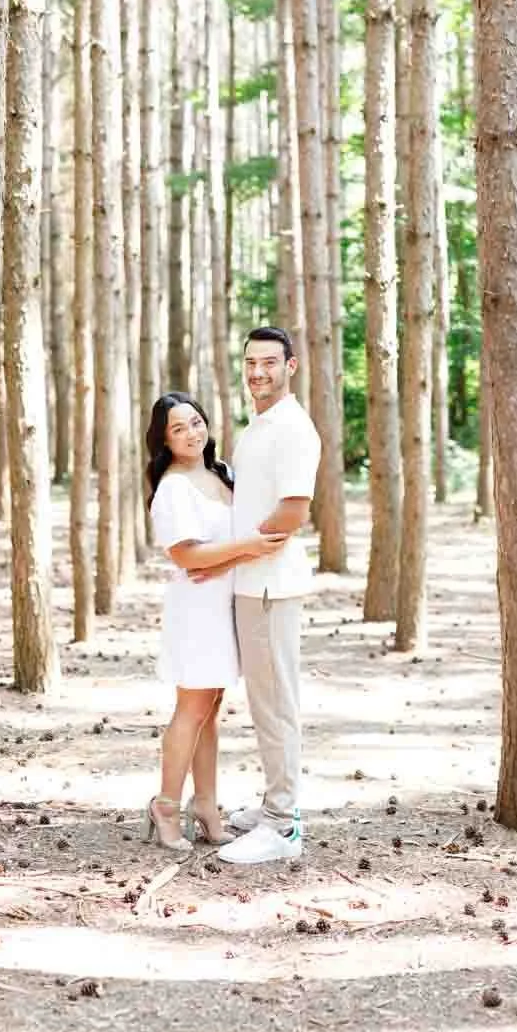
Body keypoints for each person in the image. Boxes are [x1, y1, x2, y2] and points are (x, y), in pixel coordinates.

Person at [143, 392, 273, 849]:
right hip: (197, 609)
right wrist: (246, 550)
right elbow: (185, 555)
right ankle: (166, 805)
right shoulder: (173, 487)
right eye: (178, 429)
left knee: (211, 710)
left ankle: (206, 803)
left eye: (196, 422)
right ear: (164, 440)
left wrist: (229, 560)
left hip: (226, 602)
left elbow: (223, 548)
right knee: (192, 708)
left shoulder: (223, 474)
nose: (192, 433)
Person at [217, 325, 320, 866]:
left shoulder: (293, 429)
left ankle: (283, 826)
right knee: (264, 703)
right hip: (249, 584)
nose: (258, 372)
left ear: (291, 366)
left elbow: (292, 513)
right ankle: (274, 806)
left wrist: (233, 553)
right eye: (251, 362)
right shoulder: (259, 425)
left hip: (272, 586)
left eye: (269, 363)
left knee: (277, 705)